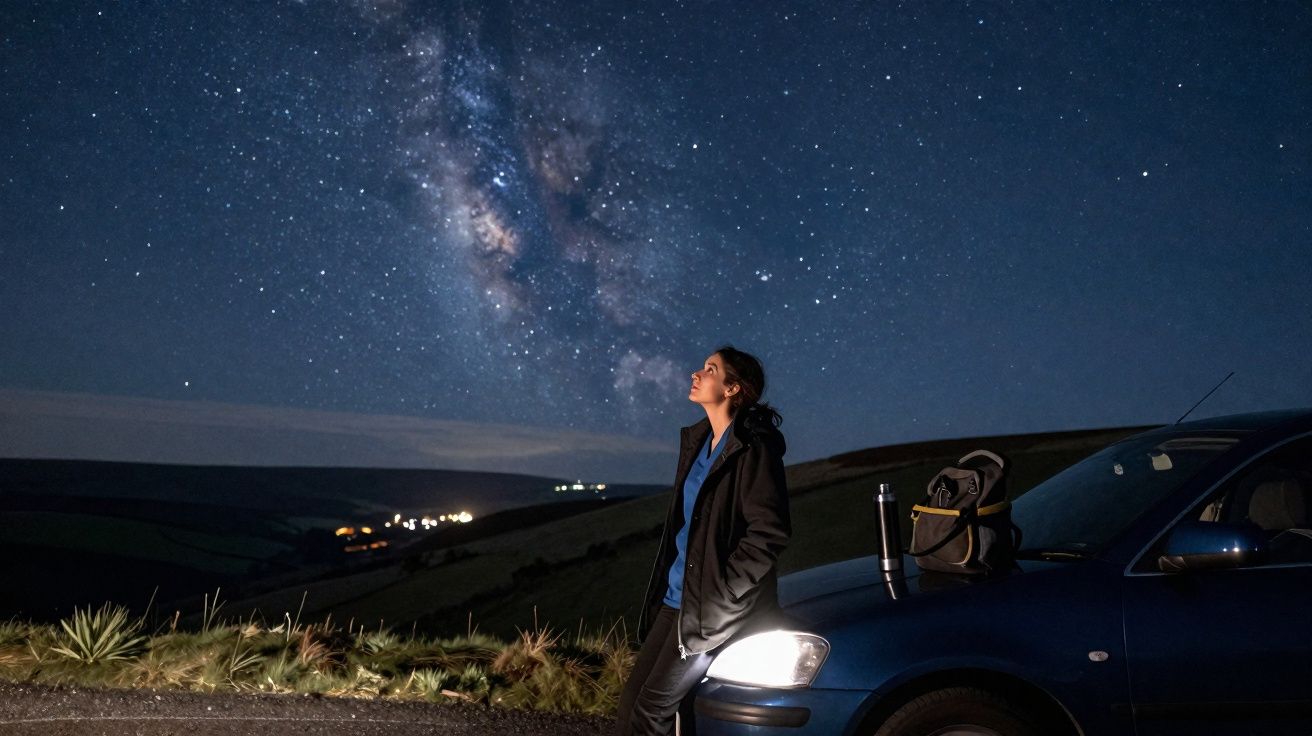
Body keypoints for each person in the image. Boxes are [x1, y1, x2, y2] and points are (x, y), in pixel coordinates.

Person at [615, 345, 791, 736]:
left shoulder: (753, 447)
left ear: (732, 388)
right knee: (629, 707)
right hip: (676, 600)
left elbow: (768, 533)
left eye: (710, 369)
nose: (696, 373)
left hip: (707, 609)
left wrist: (722, 597)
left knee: (650, 713)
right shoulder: (700, 443)